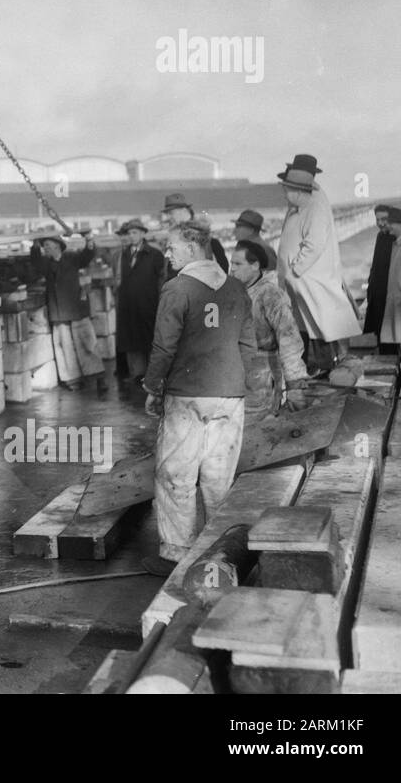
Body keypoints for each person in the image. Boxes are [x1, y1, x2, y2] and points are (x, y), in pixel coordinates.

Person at [142, 221, 256, 575]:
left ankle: (176, 554)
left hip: (186, 395)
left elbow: (164, 345)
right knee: (218, 476)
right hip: (230, 394)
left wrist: (152, 386)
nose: (167, 253)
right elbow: (248, 345)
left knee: (176, 473)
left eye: (171, 247)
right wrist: (236, 382)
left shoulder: (176, 289)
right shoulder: (238, 288)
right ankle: (219, 553)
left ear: (192, 249)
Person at [275, 156, 361, 375]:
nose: (284, 193)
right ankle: (317, 367)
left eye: (287, 189)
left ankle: (324, 368)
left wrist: (295, 270)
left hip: (309, 278)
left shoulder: (315, 205)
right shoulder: (300, 205)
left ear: (298, 189)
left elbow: (314, 244)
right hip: (301, 280)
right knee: (308, 323)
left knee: (319, 323)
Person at [229, 240, 310, 423]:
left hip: (262, 378)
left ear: (255, 265)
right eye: (231, 263)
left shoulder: (271, 295)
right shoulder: (231, 292)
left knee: (256, 428)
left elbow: (289, 340)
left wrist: (294, 386)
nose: (232, 269)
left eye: (238, 264)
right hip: (235, 376)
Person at [29, 232, 108, 396]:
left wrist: (89, 242)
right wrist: (35, 244)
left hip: (76, 308)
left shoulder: (72, 258)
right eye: (44, 247)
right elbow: (35, 260)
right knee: (64, 347)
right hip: (59, 313)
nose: (46, 249)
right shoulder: (46, 263)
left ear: (58, 246)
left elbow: (87, 255)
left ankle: (98, 377)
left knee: (87, 343)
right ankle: (73, 380)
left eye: (48, 246)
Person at [115, 218, 166, 383]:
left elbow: (162, 279)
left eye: (135, 232)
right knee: (131, 340)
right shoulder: (123, 254)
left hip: (148, 303)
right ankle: (137, 373)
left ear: (143, 233)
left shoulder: (155, 254)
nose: (131, 236)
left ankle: (153, 375)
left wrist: (161, 301)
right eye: (129, 233)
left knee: (150, 339)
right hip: (128, 305)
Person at [161, 193, 228, 275]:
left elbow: (223, 271)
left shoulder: (211, 242)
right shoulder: (171, 238)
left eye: (171, 213)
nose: (168, 217)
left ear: (184, 211)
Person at [379, 208, 401, 349]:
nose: (387, 226)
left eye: (390, 222)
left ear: (400, 224)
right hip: (398, 302)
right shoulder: (398, 243)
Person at [363, 204, 396, 349]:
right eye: (377, 220)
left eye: (384, 219)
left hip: (391, 298)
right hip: (378, 296)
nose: (380, 223)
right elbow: (376, 265)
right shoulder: (380, 236)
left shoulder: (398, 238)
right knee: (381, 337)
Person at [232, 209, 277, 273]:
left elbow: (271, 277)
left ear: (251, 230)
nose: (234, 231)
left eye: (238, 227)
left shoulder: (265, 250)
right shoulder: (242, 246)